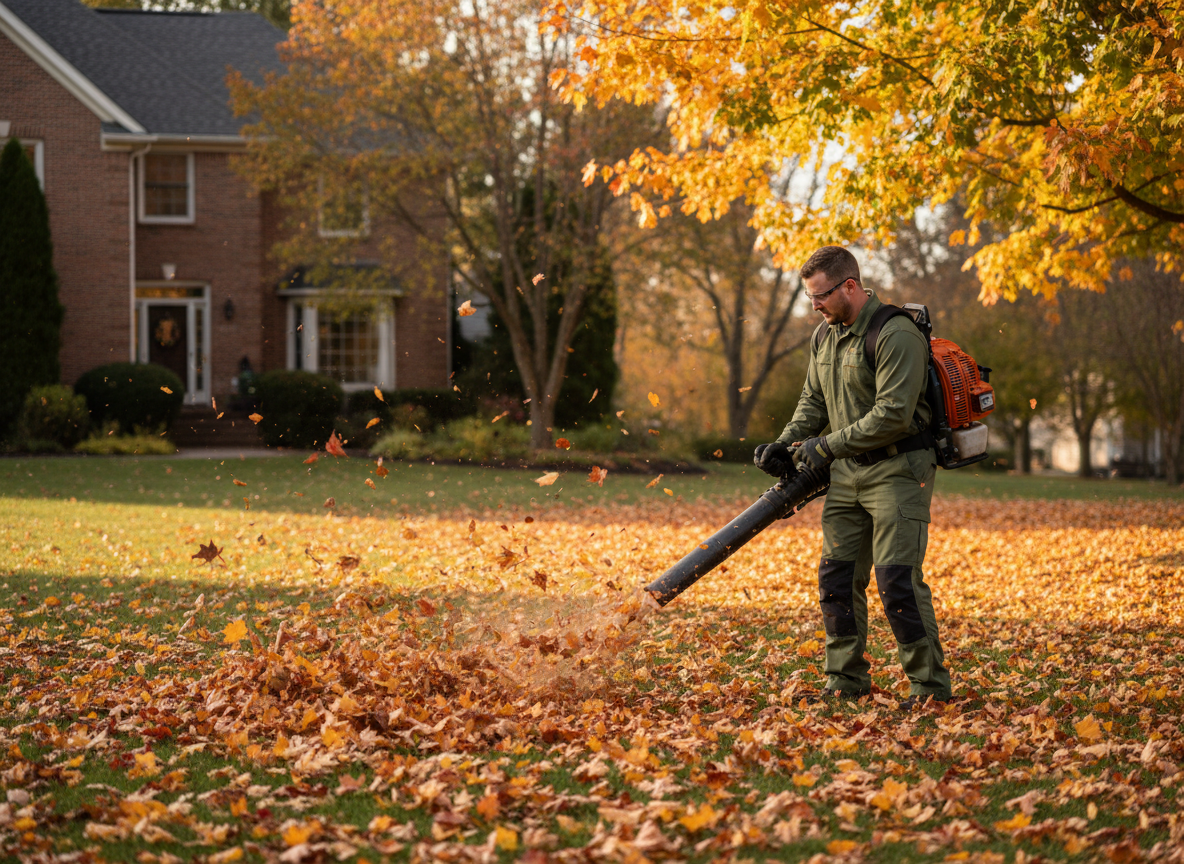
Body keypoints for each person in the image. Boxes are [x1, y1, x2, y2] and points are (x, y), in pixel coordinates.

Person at [754, 246, 951, 707]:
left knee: (897, 580)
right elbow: (813, 402)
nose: (814, 306)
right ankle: (845, 681)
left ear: (849, 286)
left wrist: (823, 447)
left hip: (899, 470)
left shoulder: (895, 333)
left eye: (820, 296)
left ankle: (929, 689)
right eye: (809, 297)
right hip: (847, 473)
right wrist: (784, 443)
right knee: (837, 578)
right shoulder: (825, 336)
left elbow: (893, 415)